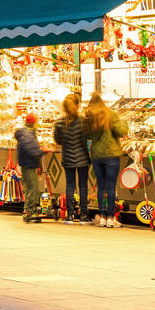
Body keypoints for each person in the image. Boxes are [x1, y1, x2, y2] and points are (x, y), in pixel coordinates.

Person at [85, 93, 128, 228]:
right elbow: (121, 131)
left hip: (97, 155)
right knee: (110, 187)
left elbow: (87, 136)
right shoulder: (110, 114)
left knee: (101, 187)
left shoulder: (88, 118)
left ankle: (102, 216)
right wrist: (123, 121)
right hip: (111, 154)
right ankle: (111, 217)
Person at [53, 93, 91, 224]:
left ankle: (70, 215)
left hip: (67, 157)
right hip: (82, 157)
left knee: (70, 185)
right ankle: (83, 215)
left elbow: (58, 140)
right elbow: (85, 139)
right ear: (78, 105)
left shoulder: (59, 123)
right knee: (83, 186)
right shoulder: (83, 121)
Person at [14, 113, 45, 223]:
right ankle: (30, 211)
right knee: (33, 188)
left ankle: (27, 210)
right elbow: (32, 149)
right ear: (33, 122)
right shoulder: (28, 134)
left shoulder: (24, 133)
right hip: (29, 164)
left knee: (28, 188)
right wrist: (42, 151)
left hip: (25, 163)